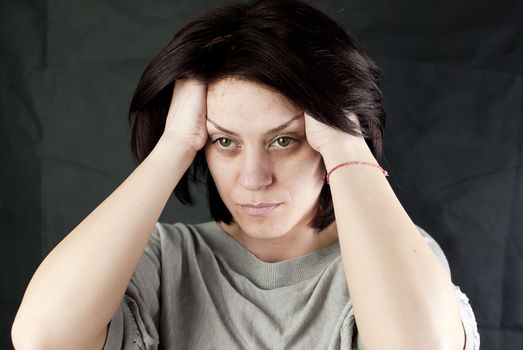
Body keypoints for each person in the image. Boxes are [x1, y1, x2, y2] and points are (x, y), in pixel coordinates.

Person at [11, 0, 480, 349]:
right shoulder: (163, 259)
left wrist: (343, 142)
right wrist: (174, 145)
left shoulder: (397, 253)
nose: (254, 178)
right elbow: (42, 338)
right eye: (225, 142)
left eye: (284, 140)